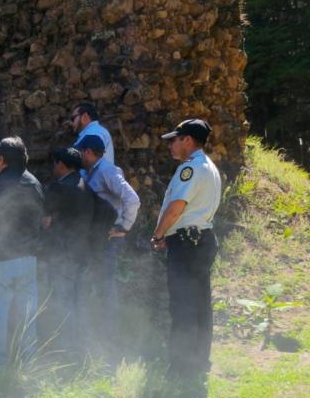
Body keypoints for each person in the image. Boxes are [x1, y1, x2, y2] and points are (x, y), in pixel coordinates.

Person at [151, 119, 222, 378]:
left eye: (175, 139)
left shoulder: (190, 169)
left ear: (188, 140)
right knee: (201, 304)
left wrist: (159, 234)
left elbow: (176, 207)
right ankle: (199, 360)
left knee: (182, 305)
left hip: (187, 244)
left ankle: (180, 366)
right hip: (201, 240)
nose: (171, 144)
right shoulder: (209, 166)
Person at [0, 137, 45, 370]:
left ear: (1, 160)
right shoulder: (34, 183)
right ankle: (27, 365)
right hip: (27, 260)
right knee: (26, 316)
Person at [74, 134, 141, 327]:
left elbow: (132, 199)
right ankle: (97, 328)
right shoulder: (90, 171)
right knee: (96, 283)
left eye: (80, 152)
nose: (78, 155)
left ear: (87, 152)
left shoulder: (107, 171)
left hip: (108, 240)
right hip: (97, 237)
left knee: (105, 285)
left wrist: (124, 227)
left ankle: (109, 333)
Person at [41, 147, 94, 354]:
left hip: (61, 253)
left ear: (61, 165)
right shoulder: (87, 187)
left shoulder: (57, 189)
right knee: (79, 302)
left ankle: (64, 350)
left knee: (62, 300)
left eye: (55, 164)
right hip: (82, 253)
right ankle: (81, 347)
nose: (53, 168)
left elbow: (45, 222)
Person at [70, 102, 114, 166]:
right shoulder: (94, 131)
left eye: (73, 118)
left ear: (84, 117)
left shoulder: (94, 132)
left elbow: (79, 156)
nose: (71, 123)